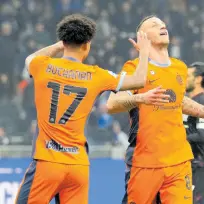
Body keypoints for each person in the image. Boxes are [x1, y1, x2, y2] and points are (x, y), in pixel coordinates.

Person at [15, 14, 164, 204]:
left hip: (47, 162)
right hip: (78, 166)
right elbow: (138, 80)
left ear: (64, 42)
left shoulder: (42, 66)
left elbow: (30, 58)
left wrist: (58, 46)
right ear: (87, 46)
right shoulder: (96, 75)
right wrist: (143, 52)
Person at [106, 15, 204, 204]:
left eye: (163, 24)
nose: (162, 26)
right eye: (154, 25)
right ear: (142, 37)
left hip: (179, 161)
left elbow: (178, 100)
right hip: (146, 162)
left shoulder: (179, 67)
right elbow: (112, 104)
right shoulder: (135, 67)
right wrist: (141, 98)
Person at [183, 62, 204, 204]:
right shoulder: (188, 102)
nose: (185, 79)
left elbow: (202, 136)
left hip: (200, 164)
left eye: (188, 75)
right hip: (189, 162)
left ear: (198, 79)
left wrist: (178, 138)